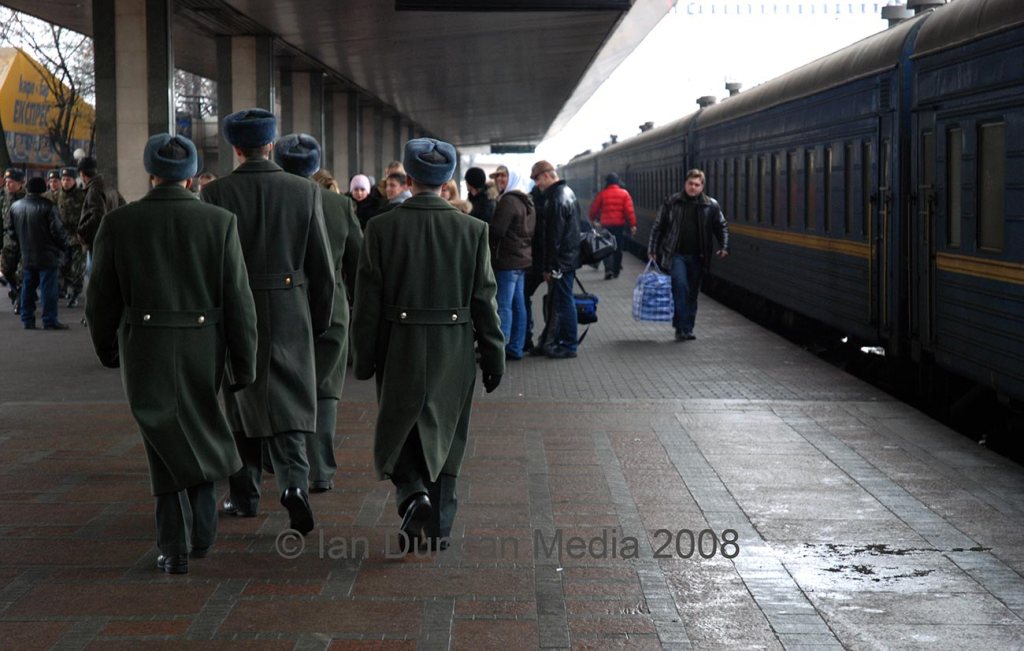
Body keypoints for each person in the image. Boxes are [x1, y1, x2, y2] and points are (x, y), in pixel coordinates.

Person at [86, 133, 258, 574]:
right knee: (200, 425)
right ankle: (200, 532)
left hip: (145, 346)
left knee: (160, 439)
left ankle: (174, 544)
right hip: (204, 345)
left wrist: (107, 348)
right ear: (190, 178)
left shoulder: (120, 223)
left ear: (151, 173)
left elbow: (100, 298)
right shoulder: (220, 222)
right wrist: (244, 363)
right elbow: (238, 301)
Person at [352, 138, 504, 552]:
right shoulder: (473, 230)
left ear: (411, 177)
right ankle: (437, 525)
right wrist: (494, 357)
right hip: (453, 346)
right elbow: (484, 301)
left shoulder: (381, 227)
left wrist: (363, 357)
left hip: (398, 343)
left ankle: (411, 493)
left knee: (399, 426)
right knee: (448, 433)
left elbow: (367, 301)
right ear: (447, 179)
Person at [200, 108, 335, 535]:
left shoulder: (217, 193)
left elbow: (212, 265)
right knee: (292, 403)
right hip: (291, 302)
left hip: (239, 306)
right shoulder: (303, 190)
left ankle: (244, 494)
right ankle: (294, 484)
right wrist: (317, 322)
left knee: (240, 401)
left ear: (235, 147)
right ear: (271, 144)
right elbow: (322, 267)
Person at [274, 133, 362, 494]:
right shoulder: (338, 205)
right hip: (333, 308)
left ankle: (291, 468)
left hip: (284, 306)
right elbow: (359, 260)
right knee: (325, 389)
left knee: (286, 386)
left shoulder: (274, 199)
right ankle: (321, 470)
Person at [648, 168, 729, 341]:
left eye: (697, 185)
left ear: (702, 186)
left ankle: (687, 327)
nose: (693, 187)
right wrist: (653, 249)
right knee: (680, 288)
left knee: (692, 293)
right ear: (685, 184)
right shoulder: (672, 202)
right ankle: (681, 328)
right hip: (676, 254)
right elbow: (658, 227)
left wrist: (724, 246)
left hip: (698, 256)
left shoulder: (711, 205)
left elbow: (721, 226)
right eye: (690, 184)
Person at [531, 160, 581, 359]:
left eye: (537, 179)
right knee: (561, 301)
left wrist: (549, 267)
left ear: (547, 175)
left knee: (564, 301)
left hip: (561, 262)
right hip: (568, 259)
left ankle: (569, 344)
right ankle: (556, 341)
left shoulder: (556, 198)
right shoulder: (567, 193)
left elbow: (553, 238)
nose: (537, 184)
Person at [8, 176, 69, 330]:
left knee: (27, 288)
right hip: (47, 255)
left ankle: (27, 319)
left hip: (27, 255)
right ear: (43, 189)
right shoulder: (48, 206)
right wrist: (64, 247)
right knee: (48, 289)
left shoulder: (16, 206)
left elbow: (11, 231)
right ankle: (49, 320)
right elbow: (58, 232)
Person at [489, 168, 535, 361]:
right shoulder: (526, 201)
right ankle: (516, 346)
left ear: (512, 178)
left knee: (504, 306)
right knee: (518, 305)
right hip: (522, 260)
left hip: (508, 260)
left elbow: (497, 230)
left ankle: (501, 348)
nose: (500, 179)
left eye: (503, 176)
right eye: (497, 176)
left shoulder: (508, 200)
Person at [589, 172, 637, 279]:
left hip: (606, 225)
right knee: (618, 247)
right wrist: (633, 225)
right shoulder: (624, 194)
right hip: (619, 225)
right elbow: (629, 211)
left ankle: (608, 269)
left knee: (606, 247)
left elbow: (594, 209)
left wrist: (593, 219)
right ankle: (616, 270)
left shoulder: (602, 194)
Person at [76, 156, 126, 252]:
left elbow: (97, 216)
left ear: (82, 174)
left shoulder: (94, 190)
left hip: (97, 243)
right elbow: (123, 206)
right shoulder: (109, 185)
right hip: (111, 240)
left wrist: (81, 232)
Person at [57, 167, 86, 307]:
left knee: (77, 268)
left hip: (78, 238)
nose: (65, 182)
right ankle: (65, 290)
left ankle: (75, 293)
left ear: (74, 180)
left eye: (68, 179)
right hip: (62, 238)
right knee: (63, 267)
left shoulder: (82, 196)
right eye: (63, 179)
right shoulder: (57, 196)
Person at [1, 168, 27, 311]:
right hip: (8, 240)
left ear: (20, 183)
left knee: (22, 272)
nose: (8, 185)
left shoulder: (27, 198)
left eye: (11, 182)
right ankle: (17, 292)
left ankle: (20, 299)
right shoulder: (3, 197)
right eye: (6, 182)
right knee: (5, 270)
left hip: (24, 240)